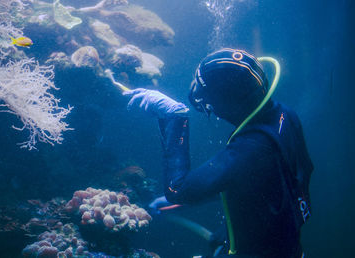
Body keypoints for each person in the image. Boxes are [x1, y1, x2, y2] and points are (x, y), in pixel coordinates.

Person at [123, 48, 313, 258]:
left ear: (230, 103)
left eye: (209, 102)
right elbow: (262, 181)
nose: (208, 107)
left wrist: (174, 118)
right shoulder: (284, 115)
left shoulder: (250, 149)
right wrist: (181, 203)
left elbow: (177, 189)